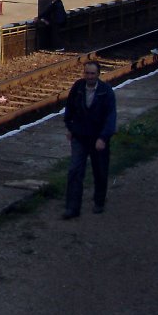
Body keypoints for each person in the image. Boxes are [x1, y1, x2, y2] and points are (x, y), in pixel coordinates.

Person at [61, 60, 117, 219]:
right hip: (79, 136)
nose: (89, 76)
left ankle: (99, 201)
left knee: (100, 171)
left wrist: (103, 137)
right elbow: (69, 109)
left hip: (98, 138)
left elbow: (111, 117)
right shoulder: (78, 88)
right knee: (74, 170)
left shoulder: (106, 92)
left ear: (98, 74)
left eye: (92, 74)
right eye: (87, 73)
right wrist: (70, 128)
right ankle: (72, 207)